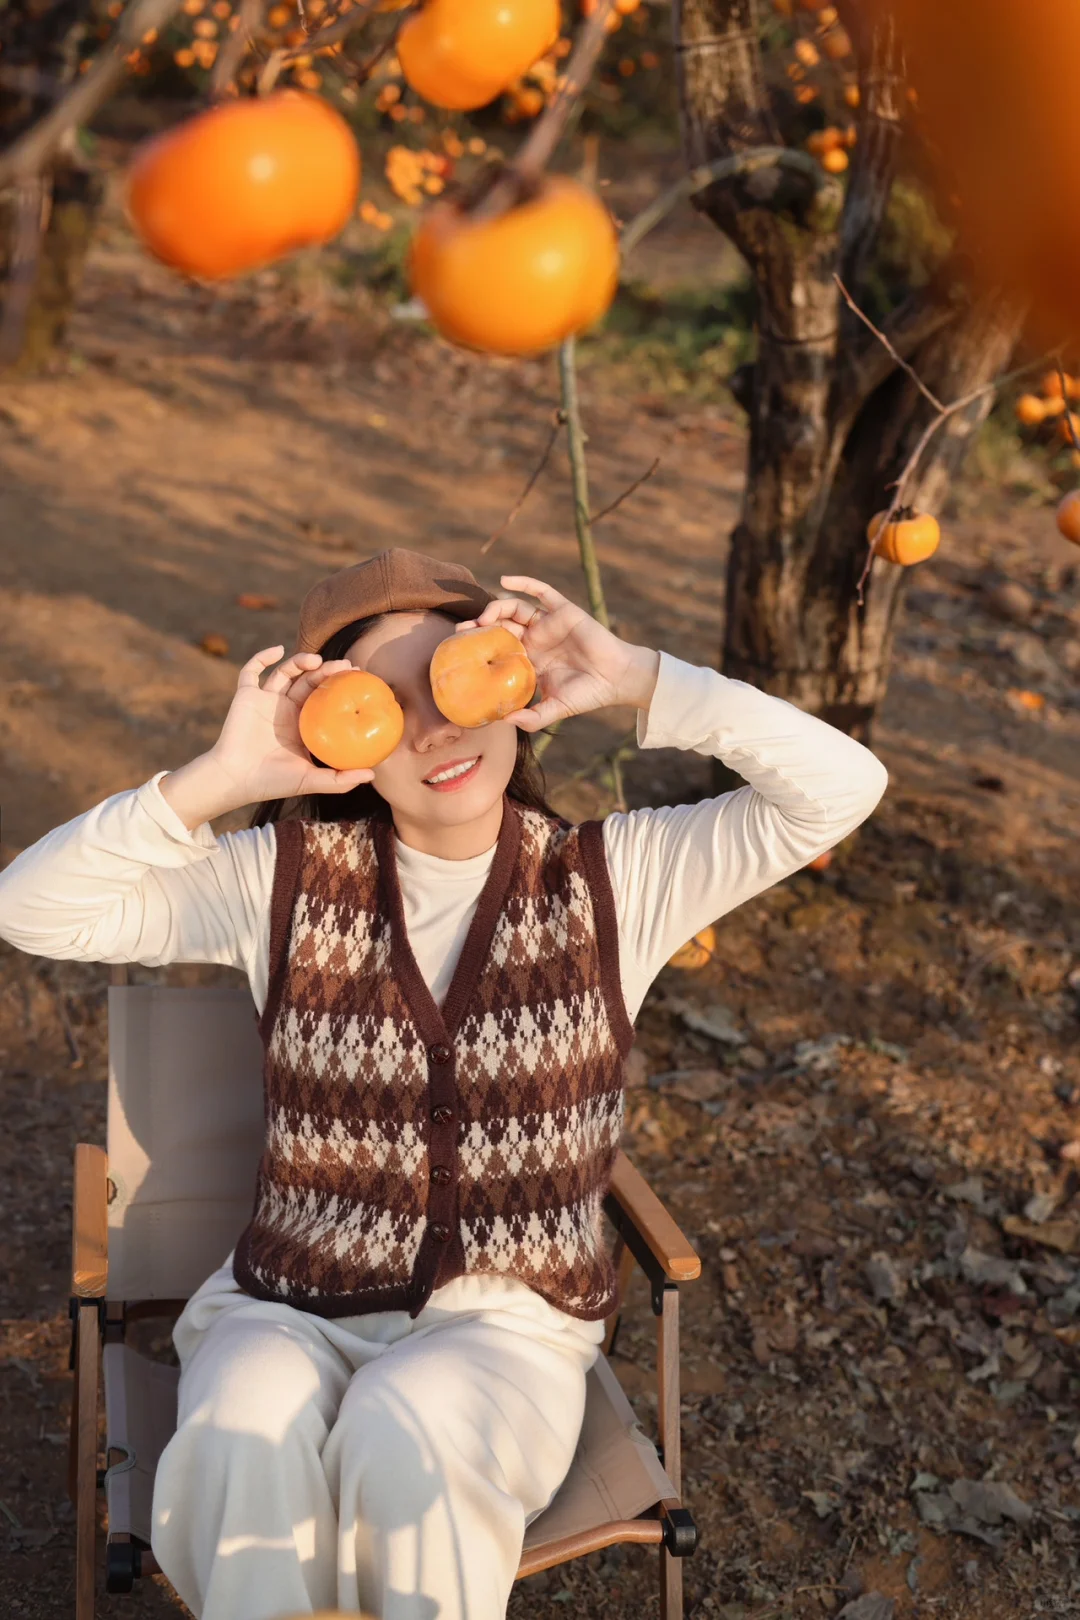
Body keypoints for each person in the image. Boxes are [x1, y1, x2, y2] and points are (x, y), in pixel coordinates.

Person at [0, 547, 888, 1620]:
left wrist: (639, 676)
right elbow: (31, 909)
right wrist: (224, 781)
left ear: (517, 691)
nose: (434, 728)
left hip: (506, 1335)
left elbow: (846, 785)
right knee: (242, 1416)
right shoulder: (272, 884)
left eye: (459, 680)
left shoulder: (620, 880)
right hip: (286, 1308)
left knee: (403, 1417)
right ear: (335, 739)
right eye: (386, 704)